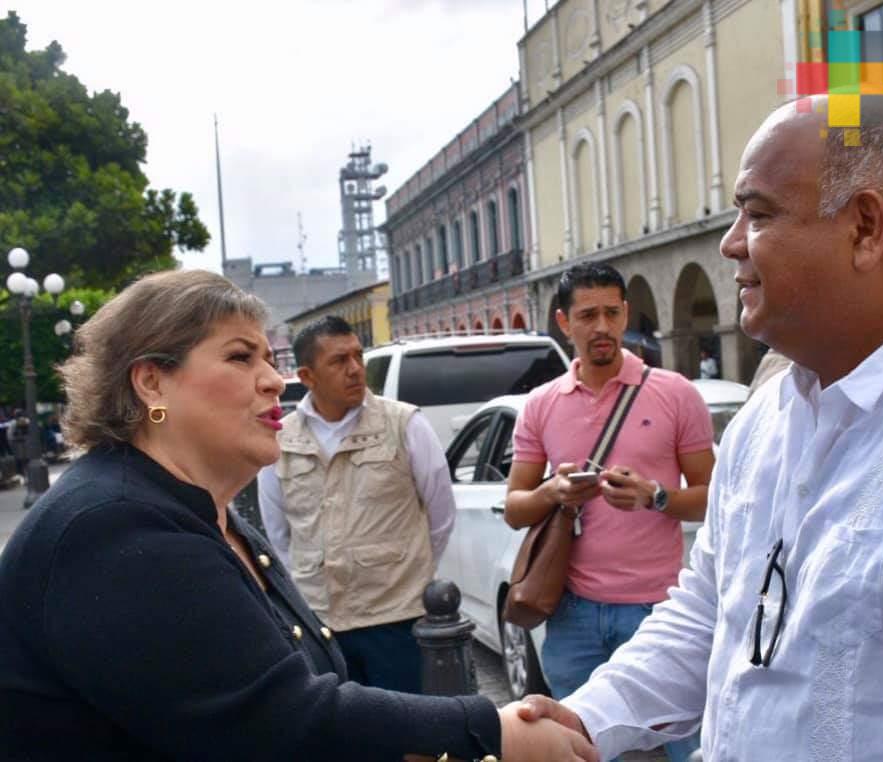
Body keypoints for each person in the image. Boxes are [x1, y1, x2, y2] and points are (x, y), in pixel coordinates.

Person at [510, 91, 883, 760]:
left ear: (865, 228)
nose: (731, 244)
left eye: (758, 214)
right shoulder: (769, 416)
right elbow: (708, 613)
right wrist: (584, 721)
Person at [0, 270, 597, 761]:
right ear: (152, 382)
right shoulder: (113, 525)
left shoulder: (200, 509)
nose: (272, 380)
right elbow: (278, 721)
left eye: (267, 356)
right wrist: (490, 732)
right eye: (240, 357)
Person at [504, 262, 715, 761]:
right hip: (574, 614)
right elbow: (515, 507)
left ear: (625, 315)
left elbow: (712, 495)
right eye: (588, 315)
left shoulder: (674, 393)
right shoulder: (541, 404)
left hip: (660, 610)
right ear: (564, 322)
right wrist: (556, 491)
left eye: (612, 313)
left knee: (693, 749)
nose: (601, 327)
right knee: (581, 749)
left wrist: (654, 496)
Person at [258, 316, 455, 694]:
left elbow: (440, 515)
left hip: (398, 620)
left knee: (410, 740)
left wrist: (407, 573)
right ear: (307, 375)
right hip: (322, 624)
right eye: (338, 361)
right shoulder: (282, 439)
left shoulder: (403, 424)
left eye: (358, 356)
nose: (354, 370)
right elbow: (279, 536)